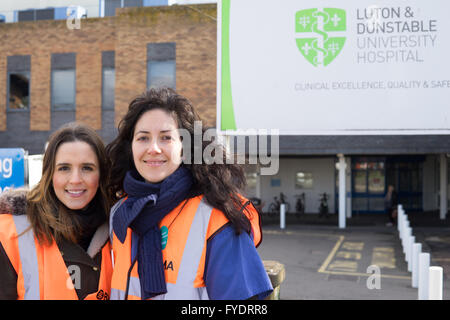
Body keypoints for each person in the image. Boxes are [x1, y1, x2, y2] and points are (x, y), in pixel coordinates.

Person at [106, 88, 273, 300]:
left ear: (185, 148)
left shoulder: (216, 217)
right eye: (143, 138)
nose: (153, 148)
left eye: (166, 137)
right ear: (131, 147)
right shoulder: (120, 214)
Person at [0, 123, 113, 300]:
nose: (75, 179)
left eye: (87, 168)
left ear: (101, 175)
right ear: (49, 174)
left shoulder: (121, 231)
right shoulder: (9, 232)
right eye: (64, 168)